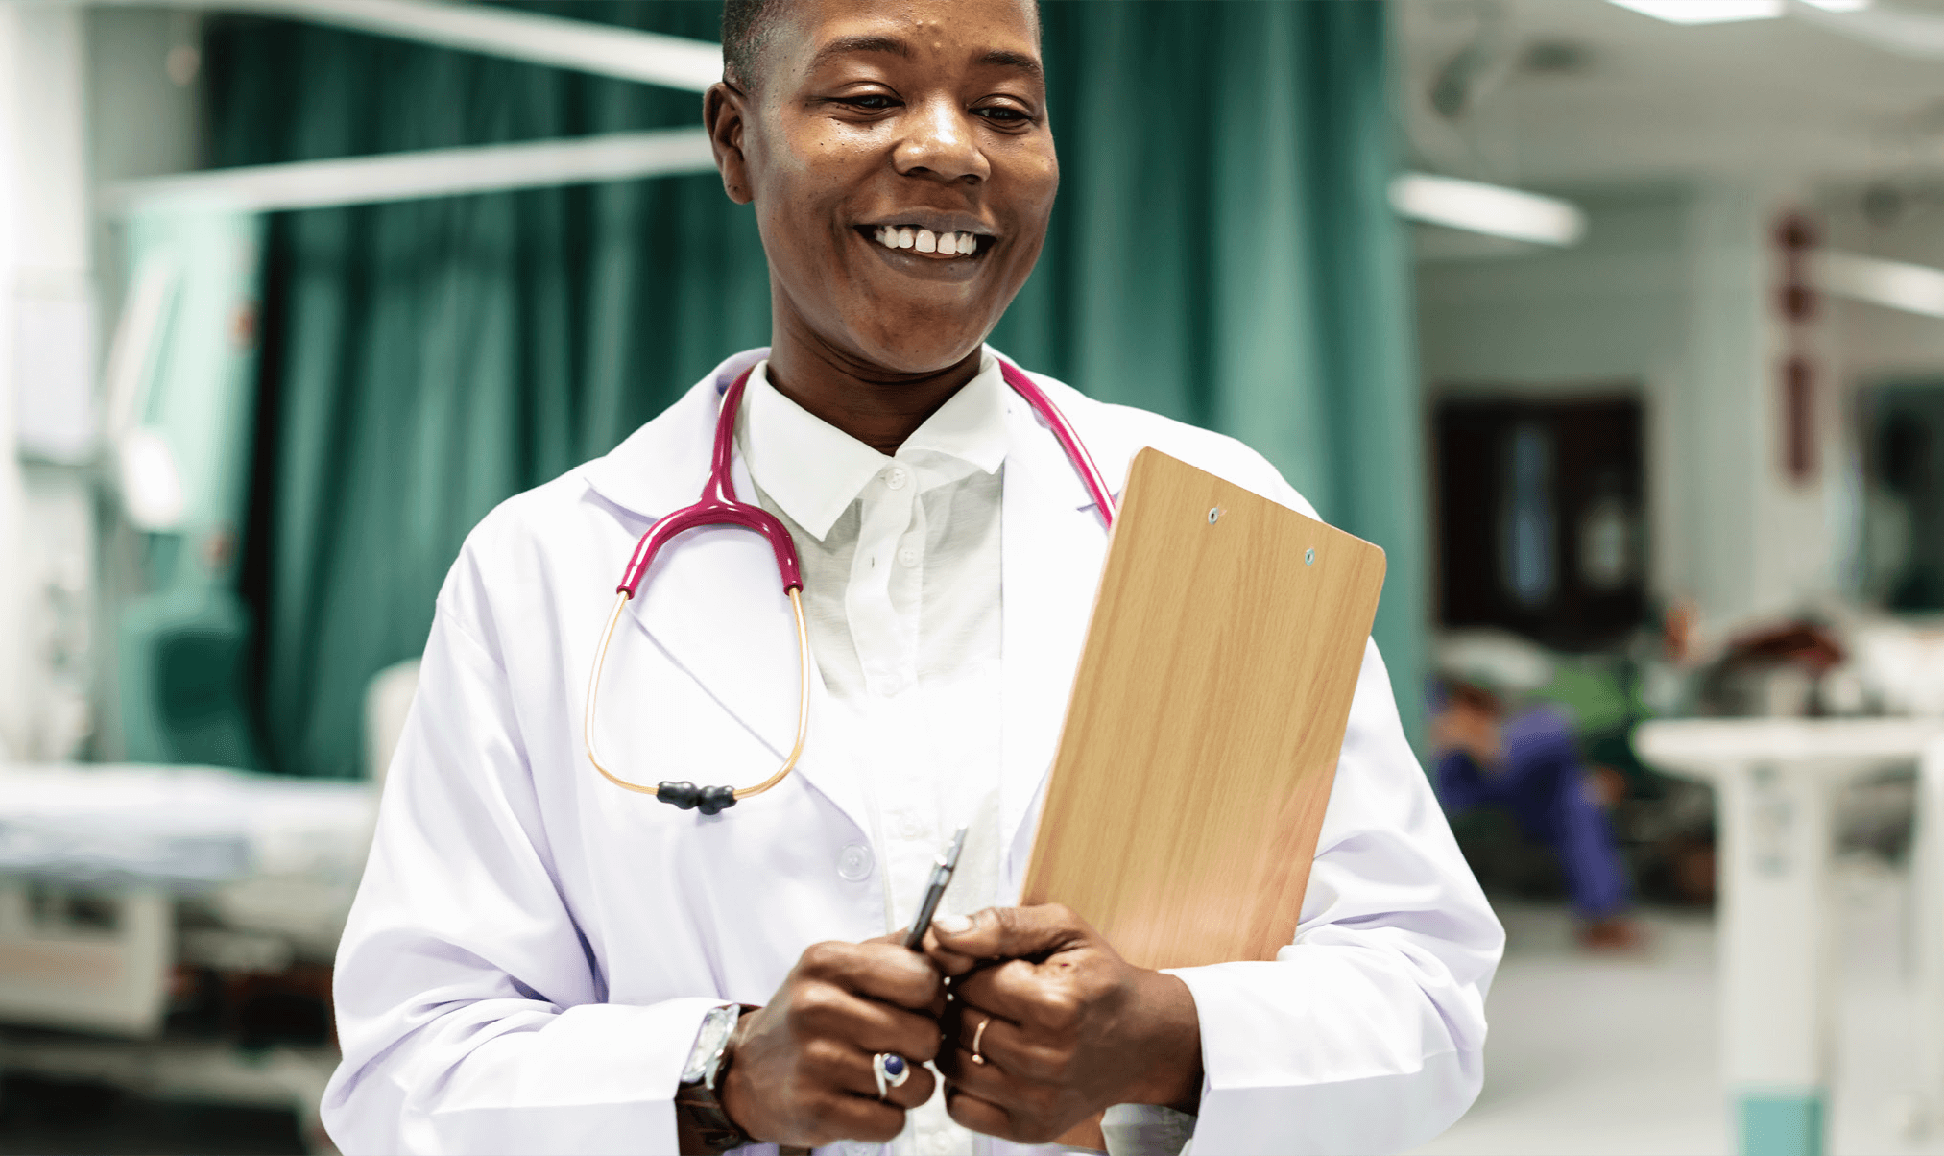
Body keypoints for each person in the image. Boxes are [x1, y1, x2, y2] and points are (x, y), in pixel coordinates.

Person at [318, 2, 1503, 1153]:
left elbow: (1426, 994)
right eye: (868, 97)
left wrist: (1169, 1036)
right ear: (737, 139)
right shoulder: (543, 571)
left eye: (1004, 109)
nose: (947, 150)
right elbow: (406, 1069)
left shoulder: (1222, 531)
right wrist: (718, 1075)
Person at [1430, 681, 1638, 949]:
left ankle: (1603, 917)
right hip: (1456, 781)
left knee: (1576, 793)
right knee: (1567, 770)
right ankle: (1602, 916)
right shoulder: (1413, 688)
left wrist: (1475, 735)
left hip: (1516, 781)